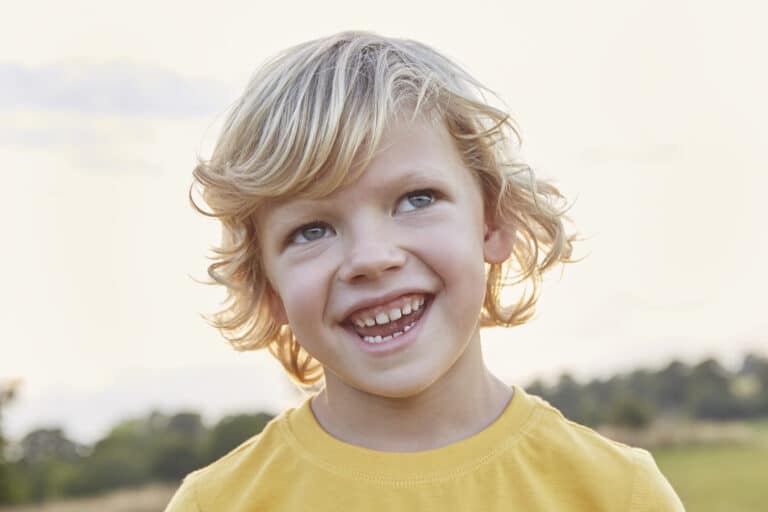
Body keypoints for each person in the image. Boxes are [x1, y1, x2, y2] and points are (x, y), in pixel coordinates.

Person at [165, 31, 684, 511]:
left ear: (492, 220)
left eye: (416, 199)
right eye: (312, 230)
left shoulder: (619, 494)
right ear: (267, 286)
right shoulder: (215, 505)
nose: (371, 258)